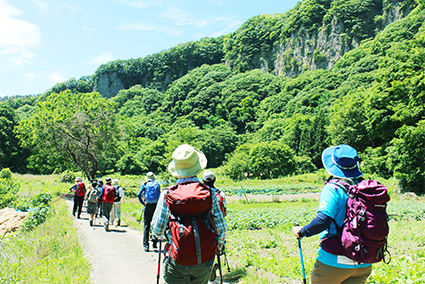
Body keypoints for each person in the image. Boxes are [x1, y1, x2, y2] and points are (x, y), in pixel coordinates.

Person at [292, 144, 372, 284]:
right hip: (364, 261)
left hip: (334, 261)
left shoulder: (333, 188)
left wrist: (302, 231)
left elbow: (323, 220)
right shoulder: (366, 187)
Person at [151, 144, 227, 284]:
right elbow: (221, 228)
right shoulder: (209, 193)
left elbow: (157, 230)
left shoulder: (168, 194)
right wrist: (219, 246)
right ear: (197, 167)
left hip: (177, 259)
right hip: (204, 260)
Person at [202, 169, 227, 282]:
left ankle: (206, 268)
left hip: (204, 227)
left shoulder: (201, 193)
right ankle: (215, 259)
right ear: (214, 180)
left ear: (203, 180)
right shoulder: (220, 193)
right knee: (217, 246)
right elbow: (224, 212)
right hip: (217, 227)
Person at [137, 172, 161, 251]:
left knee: (147, 225)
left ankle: (146, 245)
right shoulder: (157, 184)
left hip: (148, 205)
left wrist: (143, 203)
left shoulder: (145, 185)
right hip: (156, 206)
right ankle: (154, 243)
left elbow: (139, 194)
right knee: (155, 224)